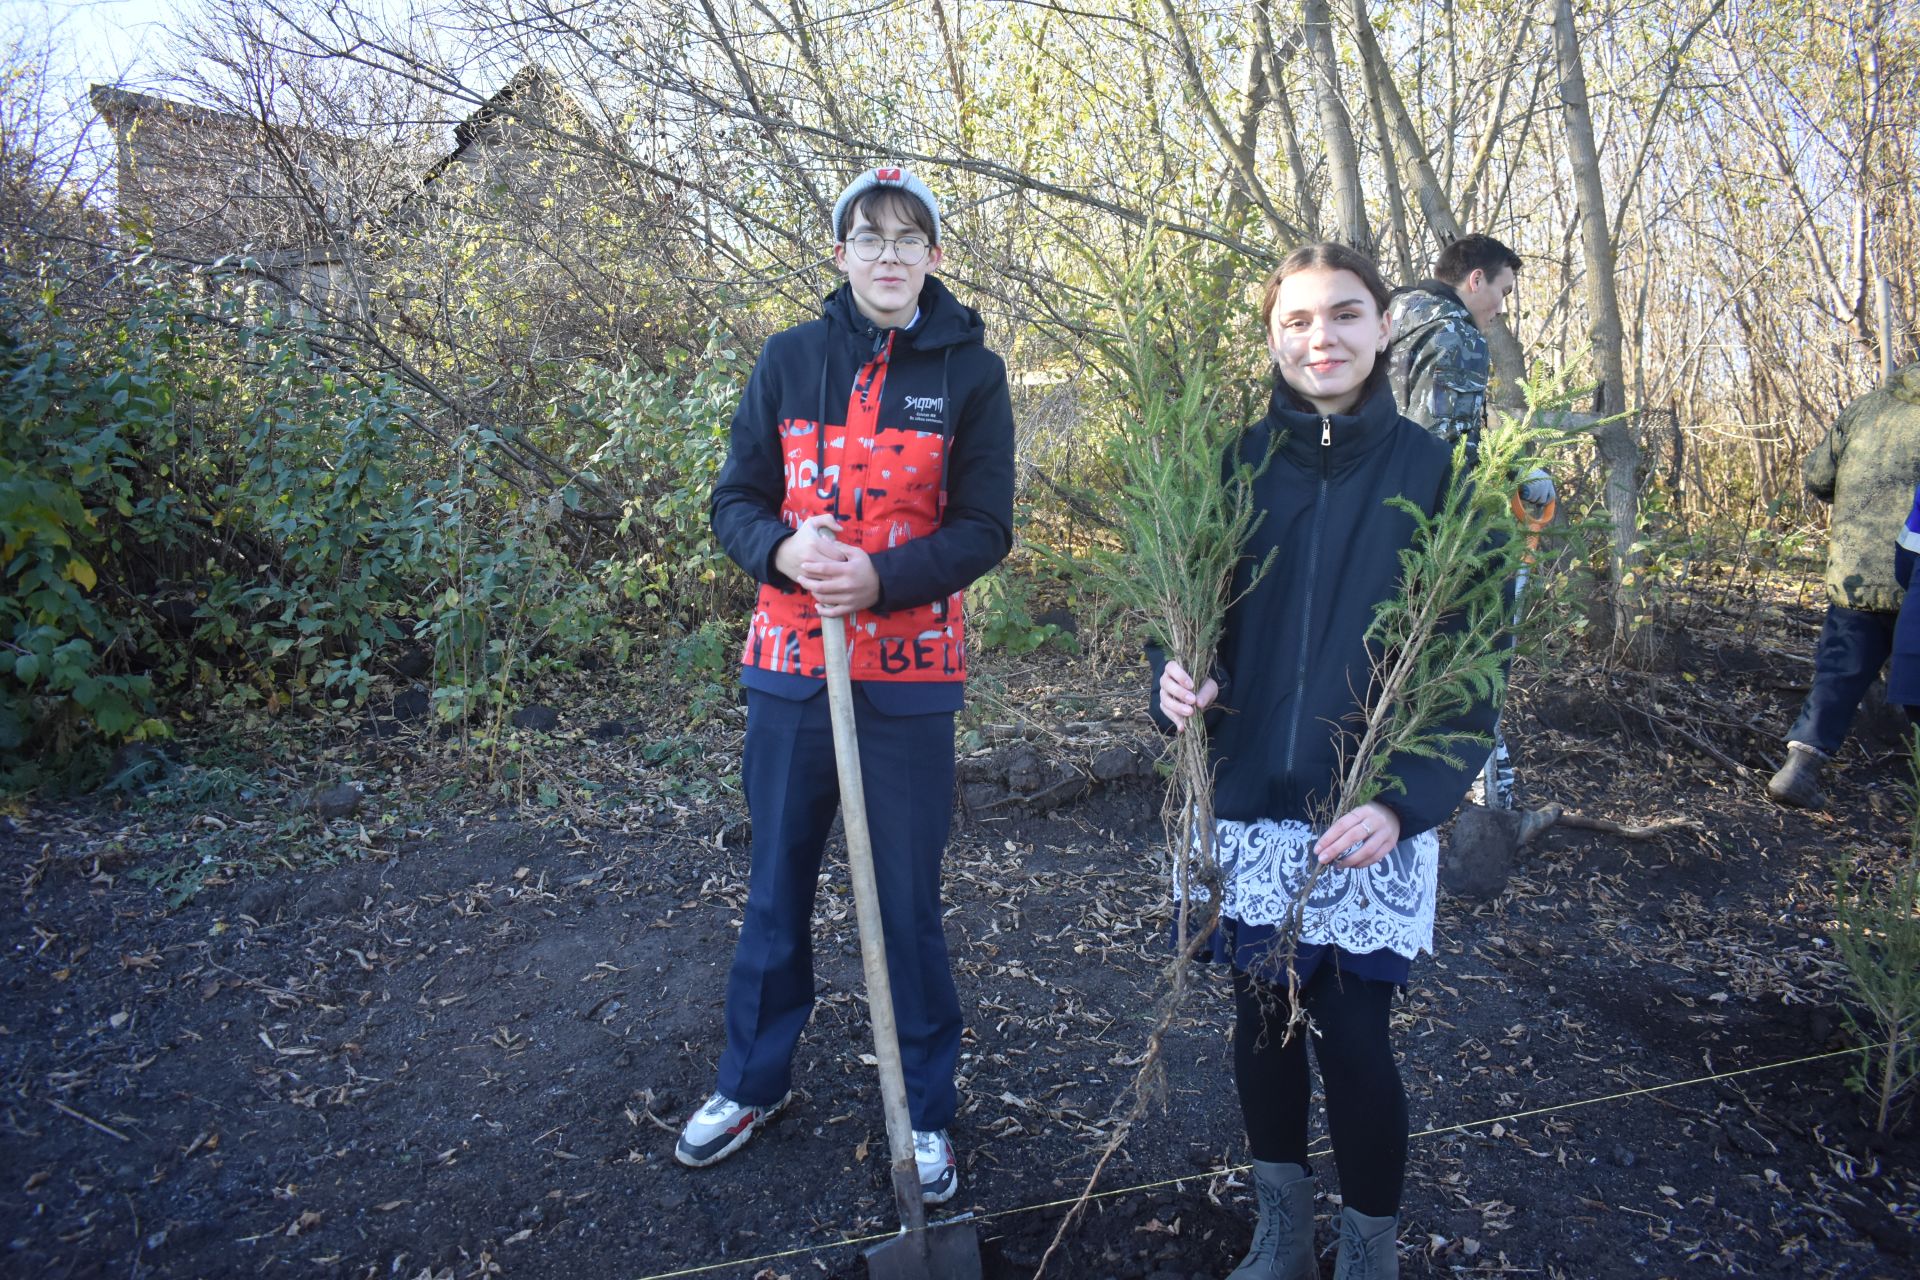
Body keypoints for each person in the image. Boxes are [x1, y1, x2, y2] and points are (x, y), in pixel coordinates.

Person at [1155, 243, 1499, 1280]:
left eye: (1345, 315)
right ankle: (1278, 1230)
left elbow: (1471, 669)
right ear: (1272, 337)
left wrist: (1404, 802)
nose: (1322, 338)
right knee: (1260, 1026)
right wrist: (1172, 678)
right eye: (1297, 321)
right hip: (1251, 800)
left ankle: (1368, 1248)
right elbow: (1190, 620)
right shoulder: (1235, 463)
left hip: (1360, 816)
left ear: (1385, 327)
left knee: (1352, 1040)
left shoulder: (1440, 480)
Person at [682, 166, 1015, 1204]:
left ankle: (923, 1107)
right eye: (866, 235)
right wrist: (784, 553)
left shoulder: (972, 373)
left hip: (908, 682)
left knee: (906, 901)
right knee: (776, 883)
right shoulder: (789, 359)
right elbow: (734, 497)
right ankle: (752, 1081)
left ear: (934, 255)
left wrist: (879, 577)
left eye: (906, 236)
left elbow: (984, 528)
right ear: (840, 253)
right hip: (790, 669)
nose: (886, 252)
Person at [1385, 234, 1548, 810]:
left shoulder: (1391, 312)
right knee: (1472, 651)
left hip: (1369, 507)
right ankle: (1480, 799)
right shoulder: (1457, 335)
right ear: (1474, 279)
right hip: (1429, 525)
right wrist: (1509, 479)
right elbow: (1451, 453)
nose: (1502, 306)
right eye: (1502, 290)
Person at [1767, 361, 1920, 808]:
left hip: (1858, 574)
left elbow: (1817, 476)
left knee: (1839, 672)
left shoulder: (1865, 410)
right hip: (1913, 570)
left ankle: (1798, 769)